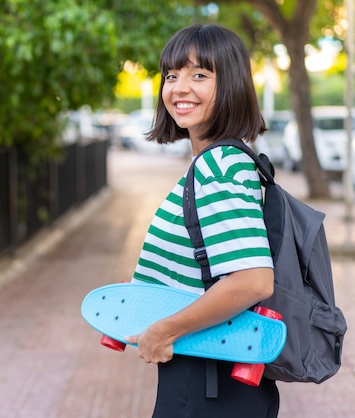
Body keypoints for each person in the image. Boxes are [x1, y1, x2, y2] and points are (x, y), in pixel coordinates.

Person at [124, 24, 279, 417]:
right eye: (172, 75)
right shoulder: (219, 161)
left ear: (229, 84)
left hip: (209, 380)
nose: (179, 88)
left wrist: (164, 330)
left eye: (199, 75)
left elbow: (253, 279)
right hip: (212, 374)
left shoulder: (219, 166)